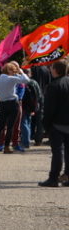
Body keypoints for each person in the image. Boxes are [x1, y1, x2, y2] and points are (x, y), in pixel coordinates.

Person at [0, 61, 29, 154]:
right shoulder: (11, 79)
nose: (14, 73)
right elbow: (26, 80)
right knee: (10, 127)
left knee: (0, 126)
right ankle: (6, 147)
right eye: (13, 71)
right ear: (9, 70)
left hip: (2, 103)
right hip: (13, 103)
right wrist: (21, 72)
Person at [39, 58, 69, 187]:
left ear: (55, 70)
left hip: (57, 124)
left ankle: (53, 178)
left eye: (51, 67)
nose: (50, 69)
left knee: (57, 152)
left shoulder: (53, 86)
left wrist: (46, 125)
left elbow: (49, 108)